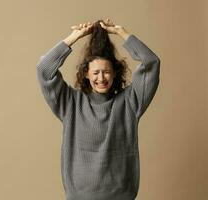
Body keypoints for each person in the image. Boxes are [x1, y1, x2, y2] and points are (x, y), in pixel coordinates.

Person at [36, 18, 160, 200]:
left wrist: (121, 33)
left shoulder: (130, 102)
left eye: (106, 71)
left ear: (115, 72)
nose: (101, 78)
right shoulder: (71, 103)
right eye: (95, 72)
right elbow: (44, 70)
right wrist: (74, 37)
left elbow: (151, 62)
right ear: (86, 73)